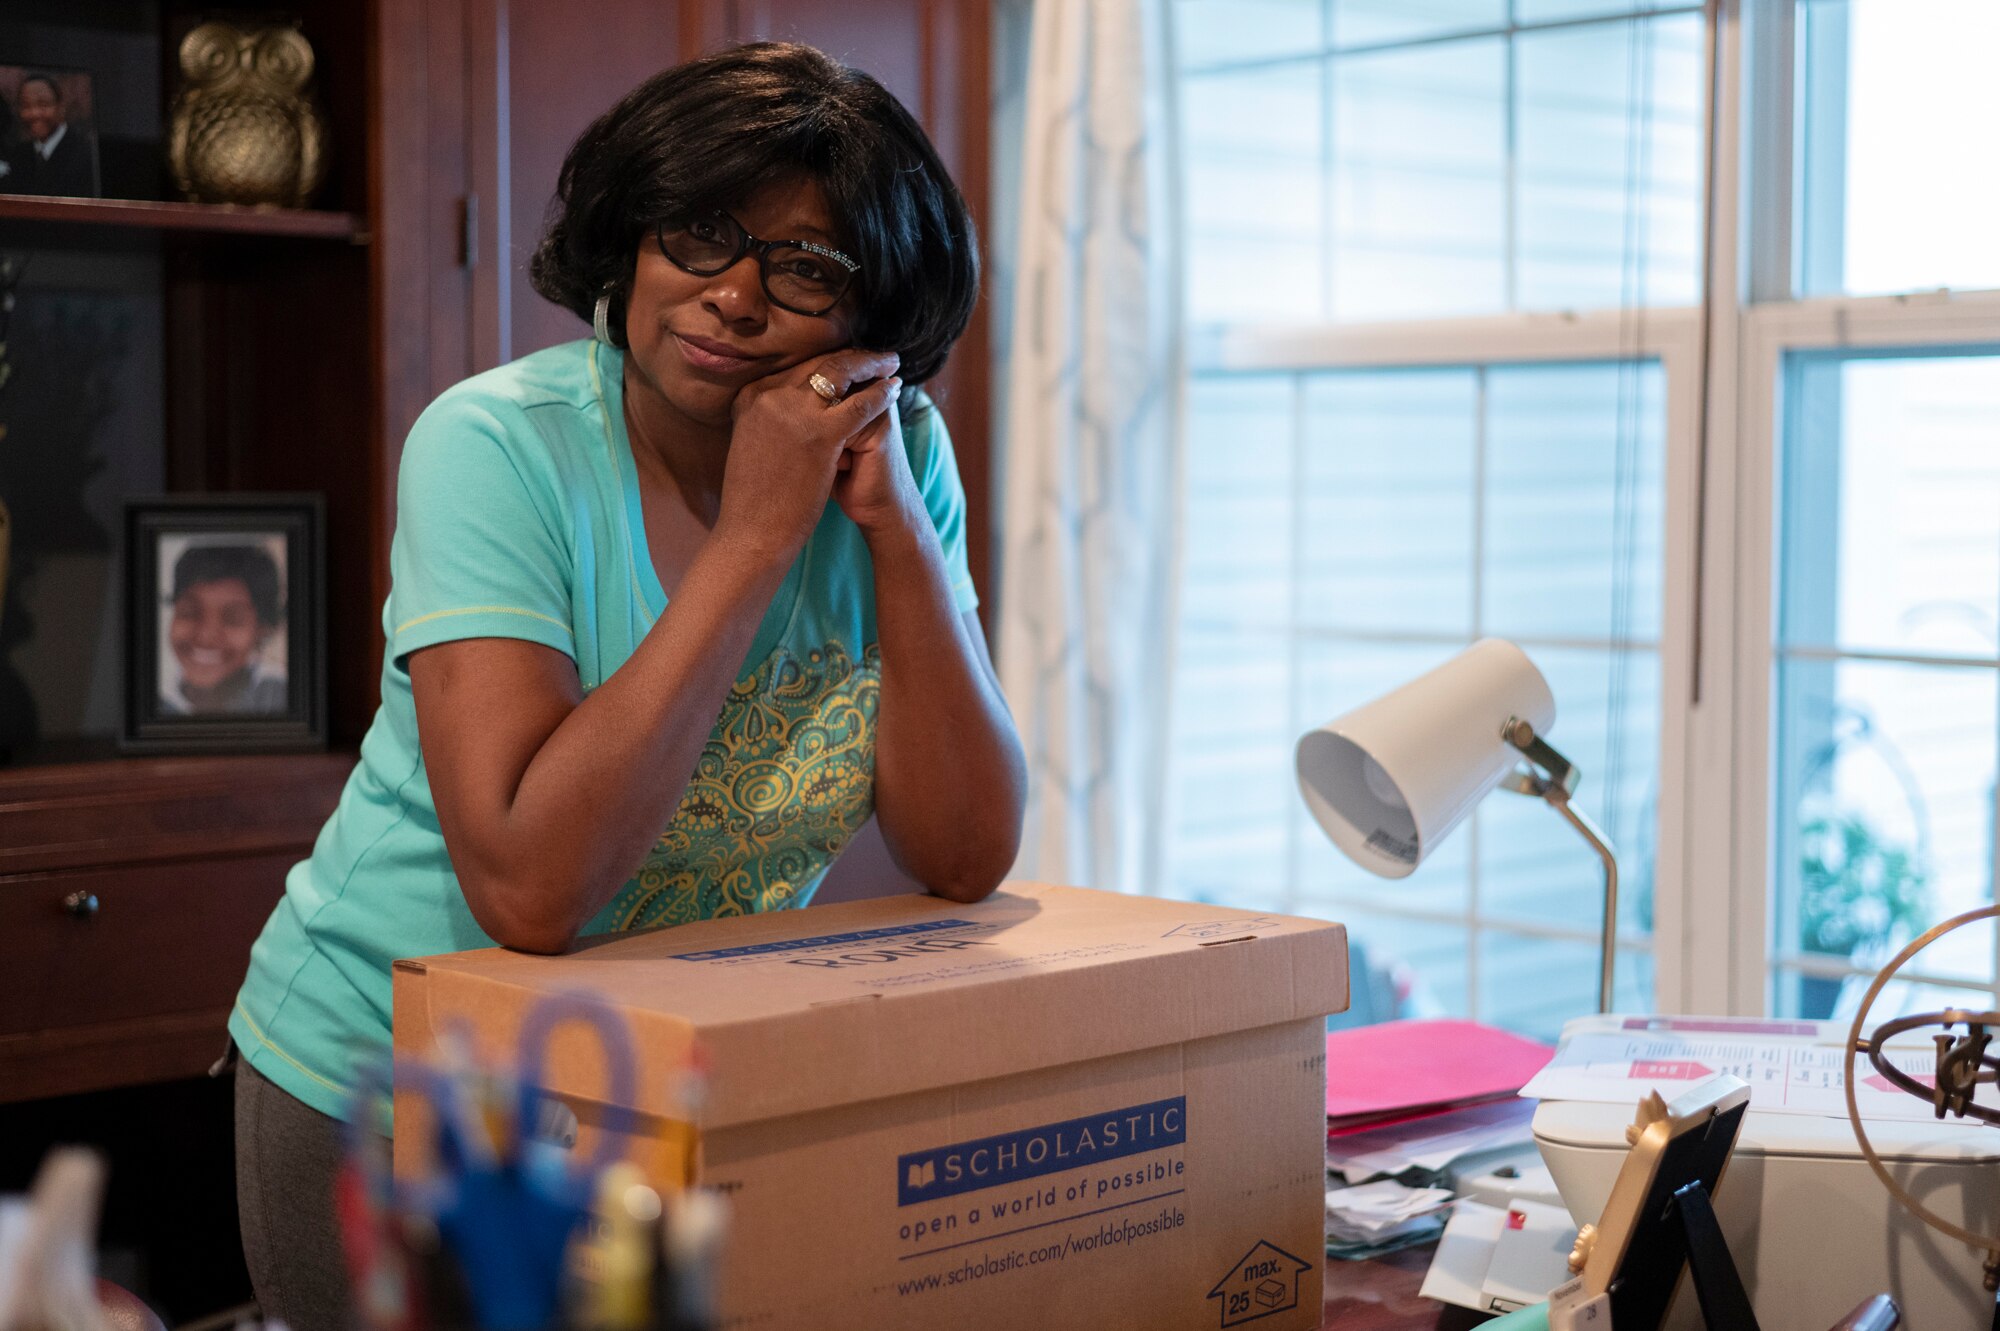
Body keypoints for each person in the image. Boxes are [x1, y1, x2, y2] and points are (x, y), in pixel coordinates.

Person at [226, 42, 1026, 1331]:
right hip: (397, 1084)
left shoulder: (898, 458)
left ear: (871, 322)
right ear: (632, 236)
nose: (731, 297)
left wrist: (899, 536)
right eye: (701, 233)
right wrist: (759, 534)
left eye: (806, 265)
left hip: (659, 1079)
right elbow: (530, 888)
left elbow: (965, 848)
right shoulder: (495, 444)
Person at [159, 543, 289, 715]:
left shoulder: (284, 695)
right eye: (189, 612)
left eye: (233, 619)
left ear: (262, 629)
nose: (205, 635)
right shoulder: (153, 699)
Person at [0, 74, 98, 197]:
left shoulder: (86, 153)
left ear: (60, 107)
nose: (34, 113)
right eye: (26, 106)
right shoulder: (18, 154)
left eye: (43, 104)